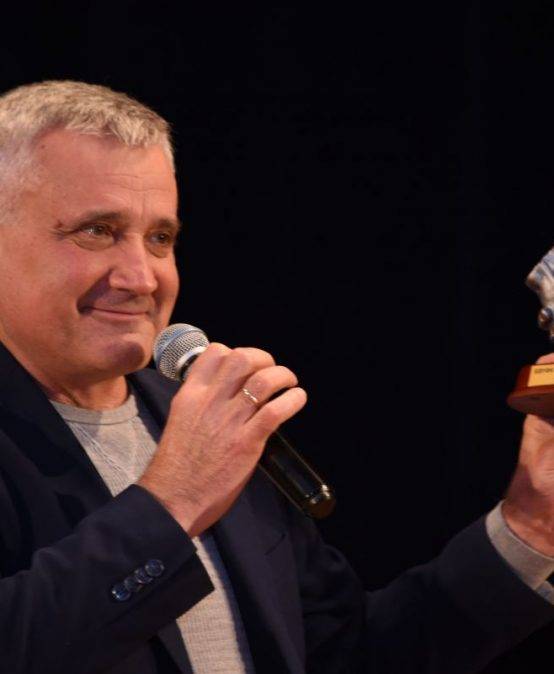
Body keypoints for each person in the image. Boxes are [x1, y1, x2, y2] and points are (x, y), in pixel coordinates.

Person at [0, 80, 553, 674]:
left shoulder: (207, 420)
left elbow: (346, 656)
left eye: (160, 238)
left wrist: (529, 527)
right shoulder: (201, 445)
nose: (142, 277)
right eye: (97, 231)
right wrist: (177, 497)